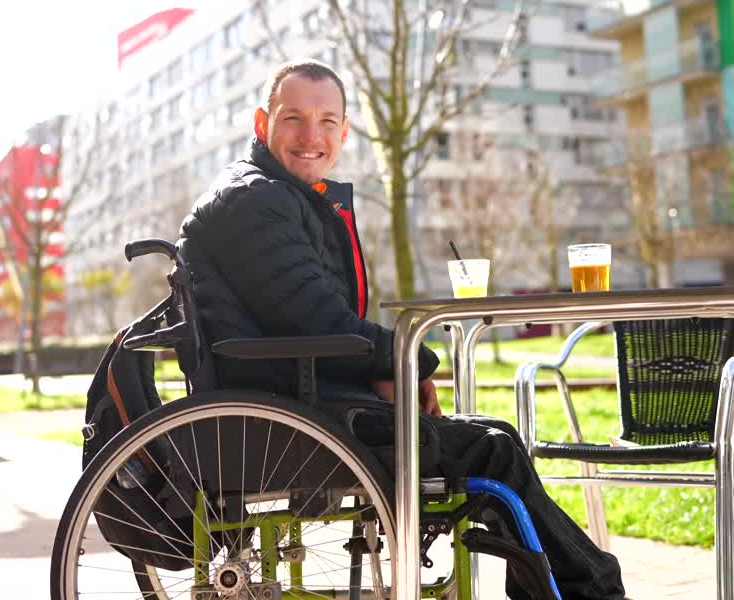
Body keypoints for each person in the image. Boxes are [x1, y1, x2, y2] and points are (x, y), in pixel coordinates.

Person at [177, 59, 624, 600]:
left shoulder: (273, 196)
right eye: (293, 118)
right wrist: (410, 361)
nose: (311, 137)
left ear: (344, 131)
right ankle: (594, 590)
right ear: (261, 122)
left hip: (293, 398)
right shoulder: (255, 201)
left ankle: (568, 586)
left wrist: (385, 369)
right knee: (493, 450)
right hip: (286, 417)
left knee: (497, 435)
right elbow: (313, 317)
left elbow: (306, 317)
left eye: (327, 122)